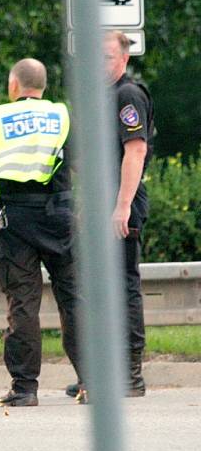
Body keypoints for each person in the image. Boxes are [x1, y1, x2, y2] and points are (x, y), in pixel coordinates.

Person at [0, 58, 83, 407]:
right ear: (43, 86)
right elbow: (79, 163)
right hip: (59, 216)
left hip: (16, 218)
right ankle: (91, 382)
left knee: (23, 303)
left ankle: (24, 388)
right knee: (75, 298)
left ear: (13, 85)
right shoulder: (62, 115)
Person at [65, 30, 154, 399]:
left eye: (105, 57)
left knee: (123, 286)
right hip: (104, 201)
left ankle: (131, 375)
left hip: (122, 203)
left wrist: (121, 207)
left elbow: (135, 151)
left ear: (123, 59)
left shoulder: (127, 95)